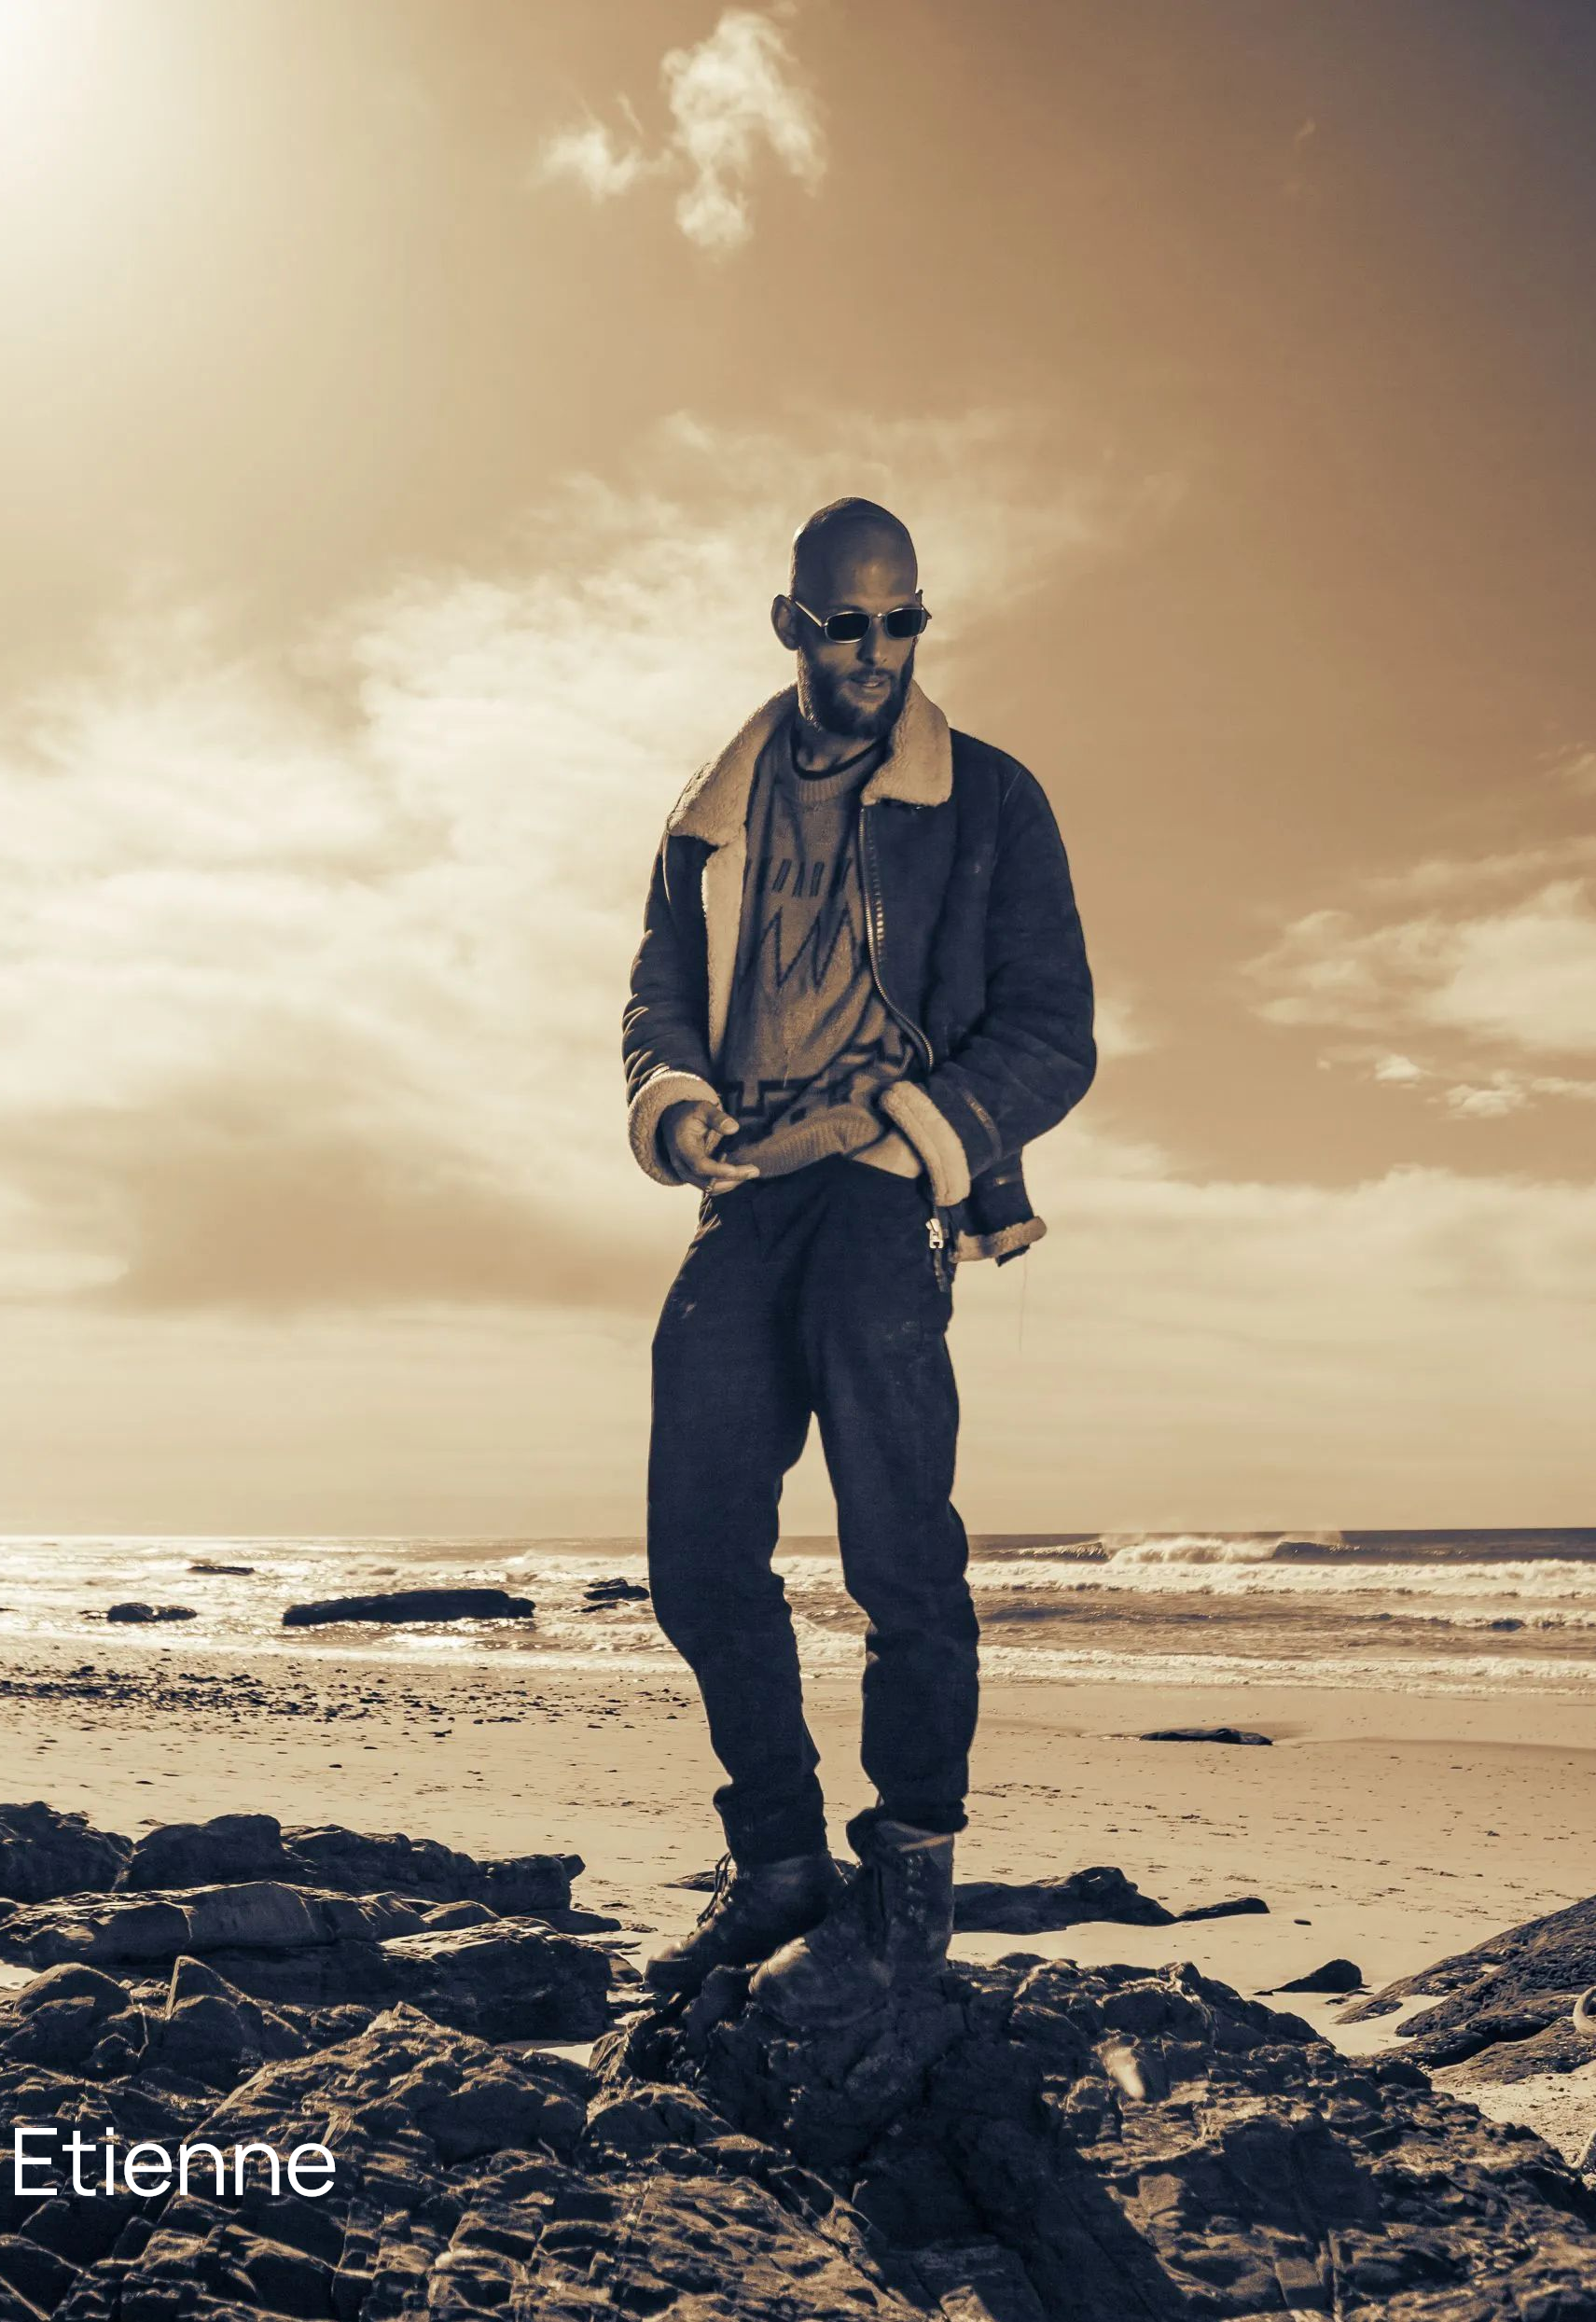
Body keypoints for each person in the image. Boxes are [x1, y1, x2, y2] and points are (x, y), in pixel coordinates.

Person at [621, 497, 1096, 2026]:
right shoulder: (708, 812)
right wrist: (671, 1099)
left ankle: (906, 1885)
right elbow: (656, 992)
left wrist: (913, 1138)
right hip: (745, 1196)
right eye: (846, 624)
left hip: (887, 1196)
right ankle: (775, 1865)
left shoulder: (988, 799)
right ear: (792, 625)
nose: (876, 650)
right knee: (698, 1550)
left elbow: (1052, 1034)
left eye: (902, 621)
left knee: (899, 1557)